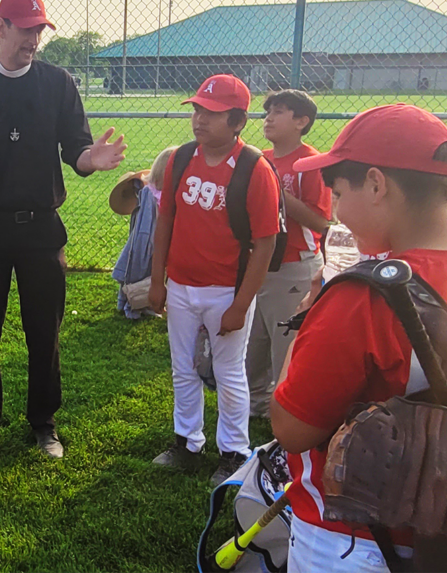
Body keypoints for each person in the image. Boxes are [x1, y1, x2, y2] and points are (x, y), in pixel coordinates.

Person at [270, 104, 447, 572]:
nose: (336, 211)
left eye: (337, 193)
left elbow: (292, 430)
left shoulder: (362, 297)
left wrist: (307, 321)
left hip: (356, 537)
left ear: (376, 184)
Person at [0, 0, 126, 460]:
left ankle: (44, 423)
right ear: (1, 27)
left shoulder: (58, 83)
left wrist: (91, 158)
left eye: (39, 30)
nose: (33, 39)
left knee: (45, 331)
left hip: (42, 230)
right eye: (25, 29)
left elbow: (76, 150)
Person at [147, 74, 281, 482]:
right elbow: (165, 220)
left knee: (228, 371)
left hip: (227, 289)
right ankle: (187, 442)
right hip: (182, 286)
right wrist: (157, 280)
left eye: (213, 113)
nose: (200, 120)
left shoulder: (255, 168)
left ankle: (234, 452)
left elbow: (266, 244)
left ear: (238, 122)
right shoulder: (180, 158)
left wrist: (240, 305)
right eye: (198, 110)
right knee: (183, 367)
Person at [246, 90, 331, 418]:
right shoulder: (258, 158)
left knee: (285, 344)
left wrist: (277, 193)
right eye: (267, 111)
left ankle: (285, 408)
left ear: (301, 121)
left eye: (278, 112)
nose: (268, 118)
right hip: (258, 261)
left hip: (294, 265)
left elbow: (321, 221)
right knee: (252, 342)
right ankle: (254, 405)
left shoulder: (310, 163)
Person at [111, 146, 177, 319]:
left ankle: (145, 302)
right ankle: (135, 301)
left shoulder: (161, 193)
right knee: (142, 268)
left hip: (163, 239)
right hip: (152, 239)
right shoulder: (150, 194)